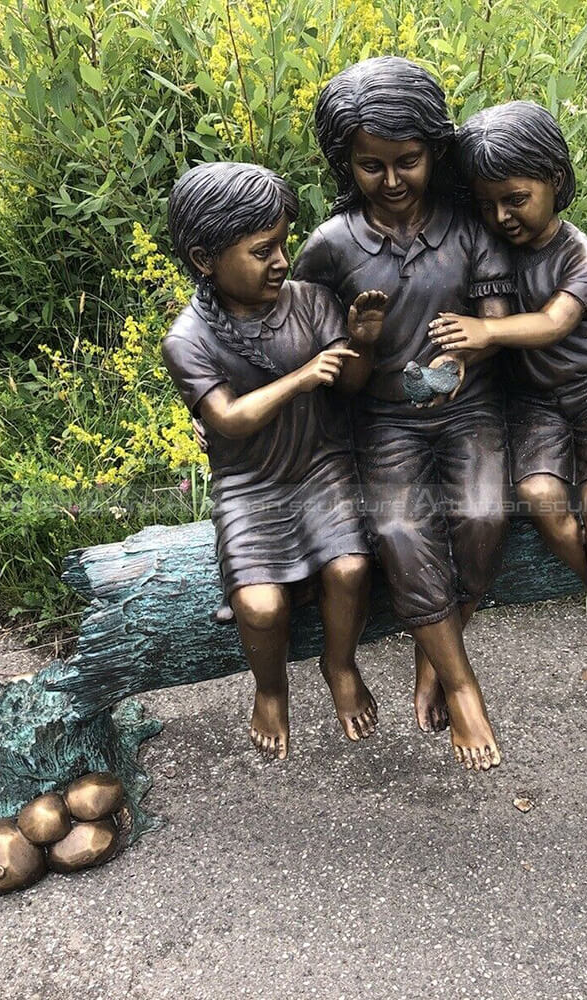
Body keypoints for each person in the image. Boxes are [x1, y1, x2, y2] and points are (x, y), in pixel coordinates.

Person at [293, 57, 515, 771]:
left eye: (409, 162)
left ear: (436, 151)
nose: (391, 182)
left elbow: (495, 317)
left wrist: (467, 358)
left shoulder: (467, 228)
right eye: (370, 166)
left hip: (467, 407)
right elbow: (324, 370)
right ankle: (463, 683)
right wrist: (357, 343)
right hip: (384, 422)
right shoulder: (330, 248)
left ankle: (433, 648)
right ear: (344, 163)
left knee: (483, 516)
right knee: (397, 526)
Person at [162, 160, 388, 760]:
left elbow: (350, 384)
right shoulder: (189, 338)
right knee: (259, 606)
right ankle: (269, 688)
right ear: (205, 259)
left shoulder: (311, 304)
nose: (282, 261)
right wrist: (301, 375)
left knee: (349, 570)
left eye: (284, 244)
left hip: (320, 466)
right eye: (262, 251)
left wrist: (360, 343)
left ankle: (339, 665)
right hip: (249, 484)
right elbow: (228, 419)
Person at [428, 100, 587, 687]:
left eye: (515, 198)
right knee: (541, 497)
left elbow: (553, 323)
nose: (501, 216)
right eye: (487, 204)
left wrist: (487, 330)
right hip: (534, 404)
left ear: (554, 180)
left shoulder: (584, 257)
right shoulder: (492, 251)